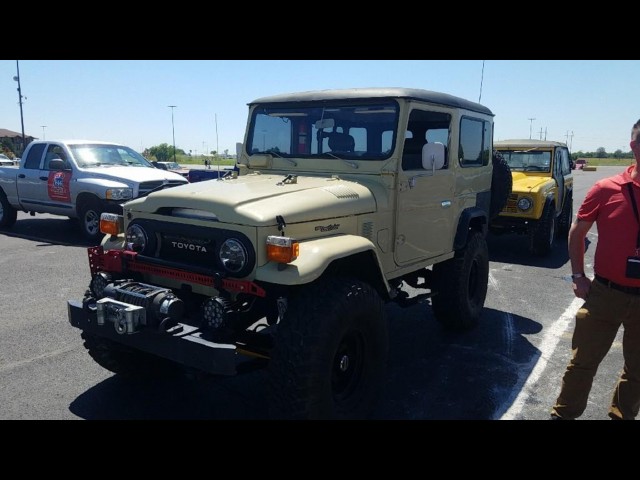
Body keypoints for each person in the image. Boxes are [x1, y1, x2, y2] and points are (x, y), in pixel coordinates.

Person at [550, 119, 640, 420]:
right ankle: (563, 415)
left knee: (638, 371)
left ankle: (621, 416)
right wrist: (578, 275)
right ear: (633, 146)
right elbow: (577, 233)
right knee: (582, 363)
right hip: (606, 293)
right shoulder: (607, 188)